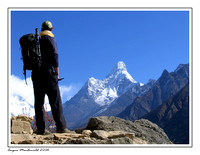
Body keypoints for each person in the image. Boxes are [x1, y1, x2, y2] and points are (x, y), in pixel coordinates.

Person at [31, 21, 68, 134]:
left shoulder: (35, 40)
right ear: (51, 29)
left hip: (36, 74)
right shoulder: (50, 38)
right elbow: (55, 55)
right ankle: (61, 127)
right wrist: (56, 72)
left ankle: (41, 129)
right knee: (55, 101)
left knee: (39, 102)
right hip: (48, 73)